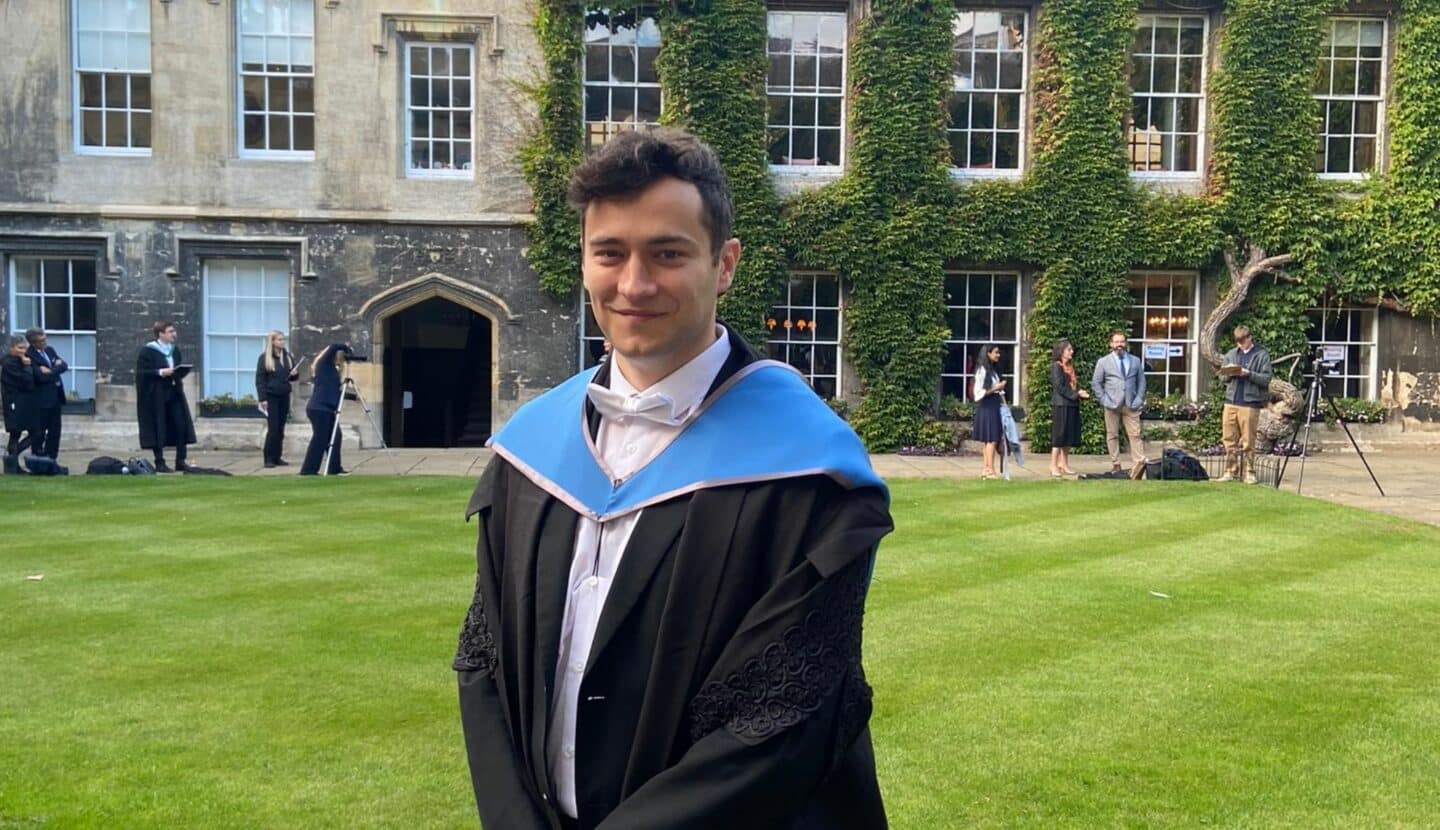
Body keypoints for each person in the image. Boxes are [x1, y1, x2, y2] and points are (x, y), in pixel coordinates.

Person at [454, 128, 893, 830]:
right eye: (610, 253)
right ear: (585, 261)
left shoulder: (810, 470)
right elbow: (483, 661)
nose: (634, 284)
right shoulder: (530, 454)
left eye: (667, 253)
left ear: (725, 264)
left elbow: (785, 714)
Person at [135, 321, 197, 473]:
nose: (173, 334)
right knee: (158, 426)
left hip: (174, 391)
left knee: (180, 424)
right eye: (170, 331)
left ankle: (180, 460)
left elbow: (177, 366)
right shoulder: (148, 351)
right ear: (160, 334)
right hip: (156, 394)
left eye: (173, 331)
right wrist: (160, 372)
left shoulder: (174, 351)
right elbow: (142, 372)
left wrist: (179, 371)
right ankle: (159, 461)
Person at [1218, 324, 1273, 484]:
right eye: (1238, 342)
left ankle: (1249, 472)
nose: (1240, 345)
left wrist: (1248, 373)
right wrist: (1229, 372)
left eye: (1243, 341)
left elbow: (1266, 379)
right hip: (1231, 401)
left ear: (1250, 338)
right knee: (1229, 439)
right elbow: (1222, 378)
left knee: (1248, 440)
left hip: (1250, 403)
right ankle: (1230, 471)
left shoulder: (1261, 355)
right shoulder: (1231, 354)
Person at [1091, 330, 1146, 472]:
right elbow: (1096, 383)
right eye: (1116, 342)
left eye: (1121, 341)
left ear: (1125, 343)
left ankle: (1139, 464)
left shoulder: (1135, 361)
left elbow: (1142, 382)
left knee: (1135, 434)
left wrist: (1139, 399)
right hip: (1111, 404)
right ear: (1111, 344)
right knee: (1112, 435)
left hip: (1131, 404)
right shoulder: (1103, 362)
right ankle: (1116, 463)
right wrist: (1104, 400)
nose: (1119, 345)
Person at [299, 343, 349, 476]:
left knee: (335, 437)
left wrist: (352, 396)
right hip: (319, 408)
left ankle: (334, 467)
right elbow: (333, 347)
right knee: (320, 439)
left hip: (328, 409)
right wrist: (345, 347)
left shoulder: (332, 370)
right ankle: (308, 470)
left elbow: (334, 391)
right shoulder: (323, 364)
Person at [255, 330, 300, 468]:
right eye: (279, 339)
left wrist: (294, 374)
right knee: (273, 428)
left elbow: (291, 378)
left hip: (284, 395)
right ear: (273, 341)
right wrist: (263, 399)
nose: (282, 342)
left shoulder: (287, 357)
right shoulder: (264, 358)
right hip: (271, 396)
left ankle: (277, 456)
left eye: (283, 339)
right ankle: (268, 458)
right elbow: (260, 380)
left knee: (281, 428)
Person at [1049, 339, 1090, 477]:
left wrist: (1079, 392)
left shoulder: (1070, 367)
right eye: (1069, 350)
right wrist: (1075, 394)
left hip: (1072, 404)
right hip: (1061, 405)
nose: (1072, 352)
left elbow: (1071, 385)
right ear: (1062, 352)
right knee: (1059, 436)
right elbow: (1059, 387)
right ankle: (1053, 465)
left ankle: (1064, 464)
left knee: (1068, 436)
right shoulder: (1057, 367)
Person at [25, 327, 68, 461]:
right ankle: (37, 457)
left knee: (55, 430)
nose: (45, 342)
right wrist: (55, 368)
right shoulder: (29, 355)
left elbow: (64, 365)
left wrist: (50, 370)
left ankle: (51, 457)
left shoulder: (49, 350)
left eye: (45, 339)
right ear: (34, 343)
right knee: (40, 431)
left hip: (56, 396)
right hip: (41, 400)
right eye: (41, 341)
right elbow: (39, 377)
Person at [972, 344, 1007, 480]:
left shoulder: (993, 370)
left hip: (994, 405)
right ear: (988, 353)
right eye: (996, 352)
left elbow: (999, 391)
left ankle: (987, 469)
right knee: (991, 439)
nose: (998, 355)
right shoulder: (982, 370)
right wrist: (996, 388)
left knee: (990, 440)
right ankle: (989, 469)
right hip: (987, 406)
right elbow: (978, 393)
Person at [2, 335, 37, 475]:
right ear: (12, 348)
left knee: (19, 434)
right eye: (20, 348)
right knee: (30, 432)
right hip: (14, 402)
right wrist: (27, 366)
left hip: (22, 401)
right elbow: (27, 382)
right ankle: (12, 460)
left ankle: (13, 463)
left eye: (25, 348)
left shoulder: (19, 361)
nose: (23, 351)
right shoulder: (9, 363)